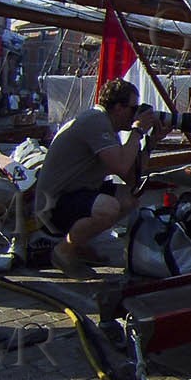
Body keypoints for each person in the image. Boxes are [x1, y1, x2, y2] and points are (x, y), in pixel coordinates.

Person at [33, 78, 164, 276]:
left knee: (128, 198)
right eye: (133, 108)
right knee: (108, 207)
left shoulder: (108, 126)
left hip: (76, 193)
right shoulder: (95, 121)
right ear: (118, 108)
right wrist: (137, 130)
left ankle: (78, 244)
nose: (135, 114)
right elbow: (120, 166)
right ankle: (63, 250)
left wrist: (152, 142)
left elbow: (131, 178)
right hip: (52, 206)